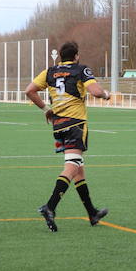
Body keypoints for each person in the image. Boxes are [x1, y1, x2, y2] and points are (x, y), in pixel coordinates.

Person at [25, 41, 111, 232]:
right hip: (75, 124)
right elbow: (95, 92)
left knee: (79, 168)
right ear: (77, 56)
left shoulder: (49, 72)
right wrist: (106, 94)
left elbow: (29, 90)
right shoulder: (81, 70)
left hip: (58, 125)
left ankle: (92, 212)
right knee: (72, 166)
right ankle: (50, 206)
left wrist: (46, 109)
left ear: (61, 57)